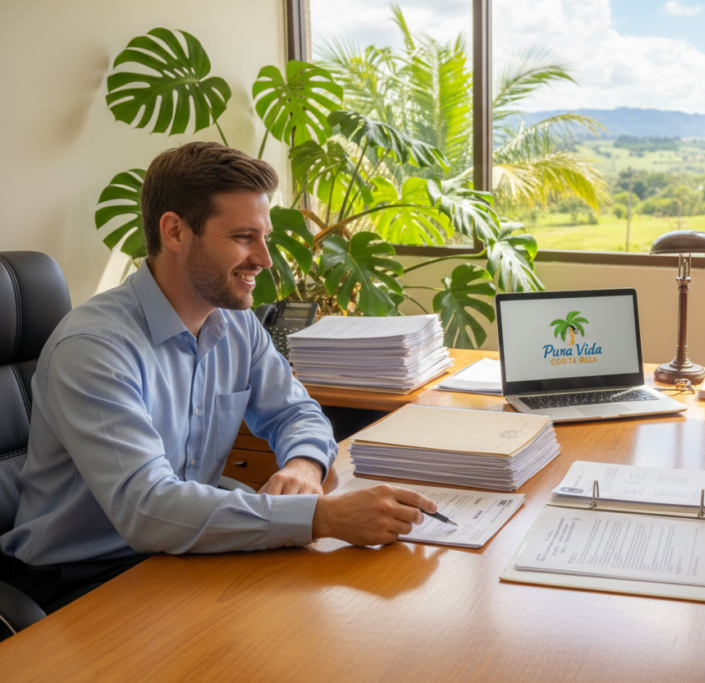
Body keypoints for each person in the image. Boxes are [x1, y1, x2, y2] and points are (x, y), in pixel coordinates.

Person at [0, 141, 436, 614]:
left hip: (179, 554)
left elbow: (296, 412)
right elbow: (147, 508)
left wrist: (303, 467)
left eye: (263, 236)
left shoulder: (234, 322)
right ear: (175, 231)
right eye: (243, 237)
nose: (266, 259)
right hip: (84, 578)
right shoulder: (95, 347)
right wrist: (320, 516)